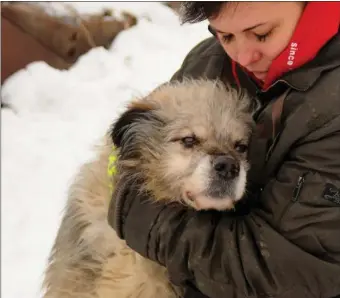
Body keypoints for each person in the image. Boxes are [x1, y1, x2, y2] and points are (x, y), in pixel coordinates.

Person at [108, 2, 340, 298]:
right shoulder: (209, 60)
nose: (243, 56)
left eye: (262, 33)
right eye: (225, 36)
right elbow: (134, 148)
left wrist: (133, 213)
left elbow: (283, 274)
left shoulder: (332, 104)